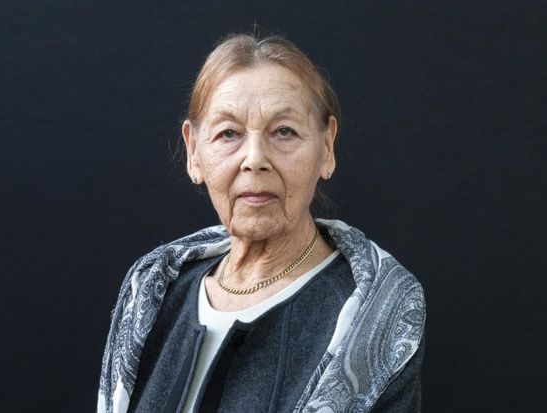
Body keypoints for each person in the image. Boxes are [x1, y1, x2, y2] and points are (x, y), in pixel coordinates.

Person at [98, 33, 425, 413]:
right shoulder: (152, 292)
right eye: (229, 134)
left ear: (326, 147)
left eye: (284, 131)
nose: (255, 159)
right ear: (194, 152)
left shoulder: (378, 312)